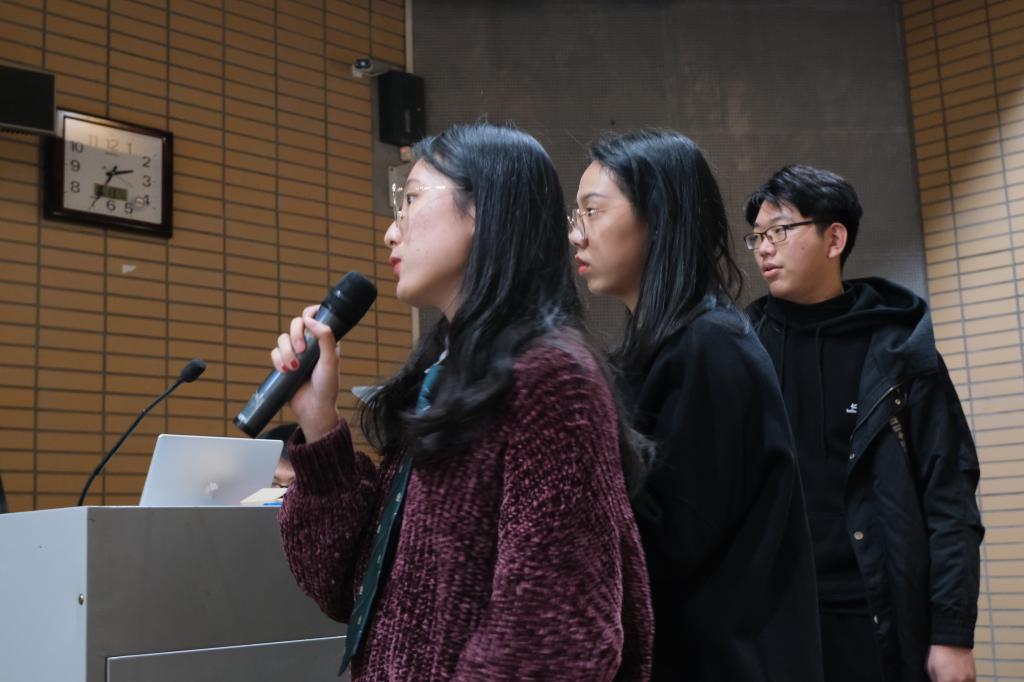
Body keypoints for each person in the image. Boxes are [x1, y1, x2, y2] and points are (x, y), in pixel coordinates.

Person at [272, 123, 653, 680]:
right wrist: (319, 422)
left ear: (485, 209)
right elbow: (347, 588)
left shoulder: (552, 378)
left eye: (411, 200)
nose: (391, 232)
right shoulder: (444, 373)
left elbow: (550, 637)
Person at [570, 129, 822, 681]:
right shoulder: (665, 346)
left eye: (592, 211)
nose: (575, 234)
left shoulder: (709, 345)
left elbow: (668, 541)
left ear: (658, 217)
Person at [743, 164, 984, 682]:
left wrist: (952, 633)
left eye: (779, 231)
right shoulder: (741, 347)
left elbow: (949, 497)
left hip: (875, 615)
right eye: (757, 236)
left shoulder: (901, 352)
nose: (764, 248)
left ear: (835, 238)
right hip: (771, 617)